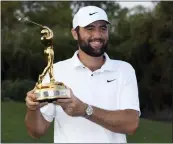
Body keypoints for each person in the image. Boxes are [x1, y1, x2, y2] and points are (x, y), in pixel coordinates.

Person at [25, 6, 140, 143]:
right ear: (75, 33)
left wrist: (85, 110)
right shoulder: (56, 71)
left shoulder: (124, 70)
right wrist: (33, 109)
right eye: (90, 28)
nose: (97, 35)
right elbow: (37, 131)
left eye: (103, 28)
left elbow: (131, 124)